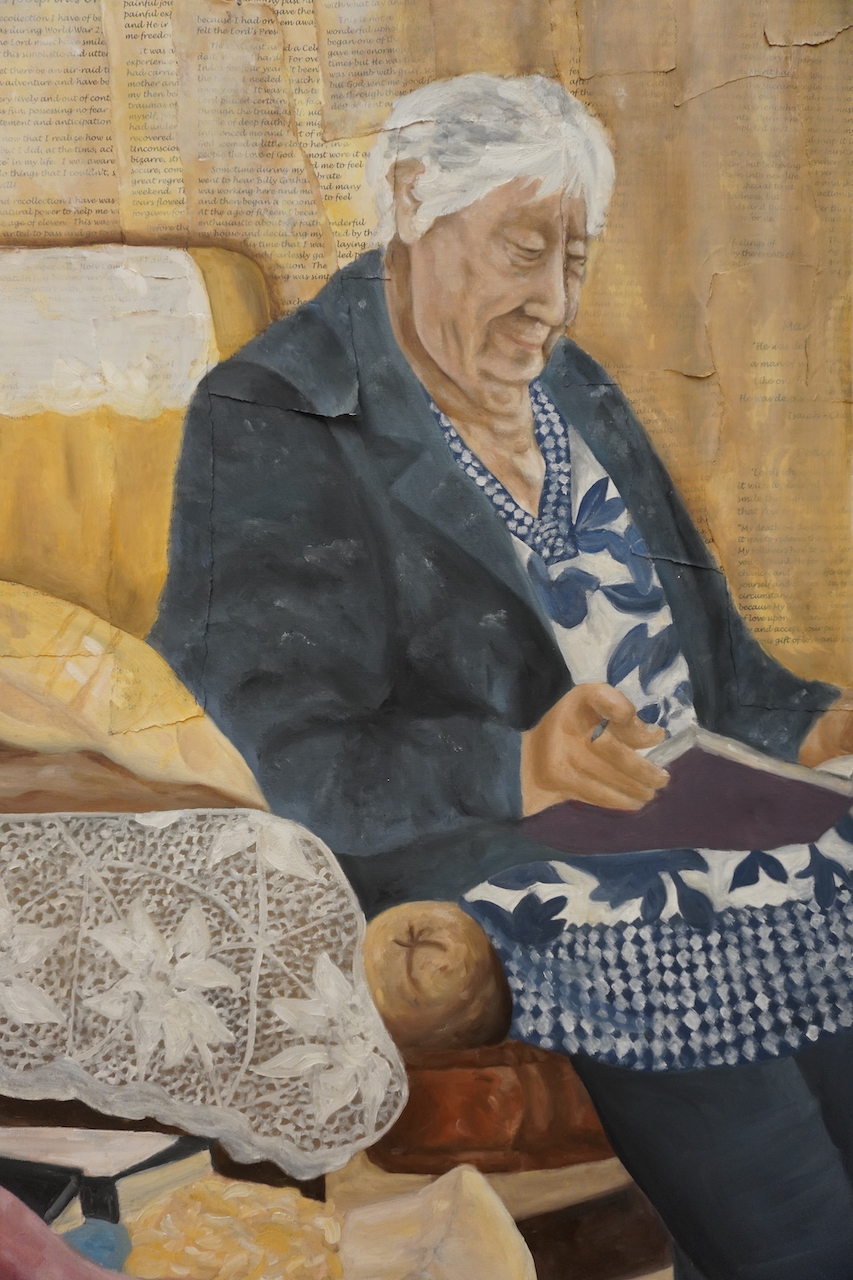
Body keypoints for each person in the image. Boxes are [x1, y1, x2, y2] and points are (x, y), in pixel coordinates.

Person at [152, 74, 853, 1278]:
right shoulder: (277, 411)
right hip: (484, 853)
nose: (555, 303)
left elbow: (721, 678)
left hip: (686, 819)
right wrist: (517, 761)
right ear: (412, 202)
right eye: (526, 251)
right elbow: (287, 755)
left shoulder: (569, 387)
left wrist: (817, 727)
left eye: (575, 260)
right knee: (793, 1217)